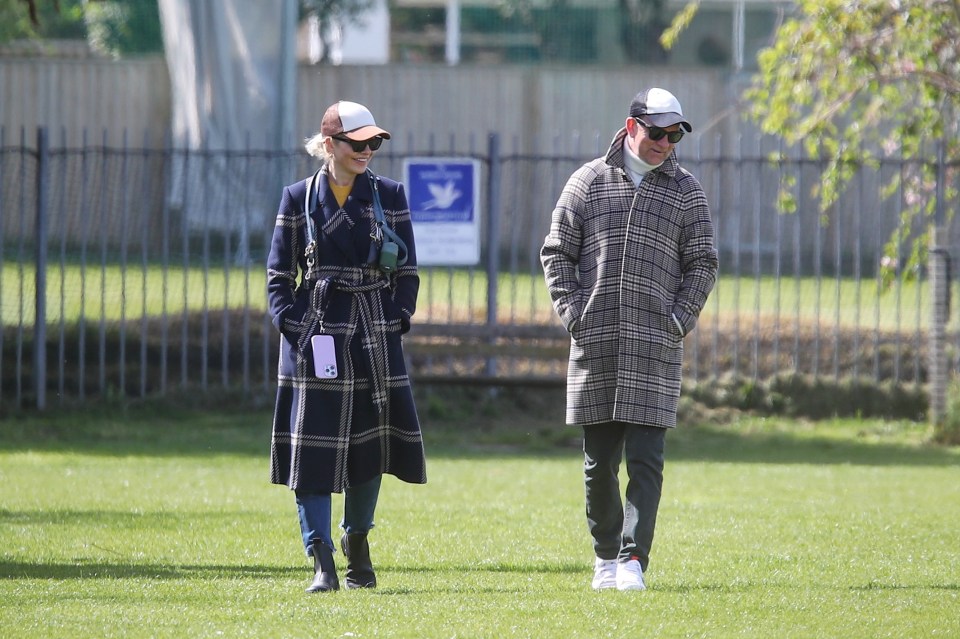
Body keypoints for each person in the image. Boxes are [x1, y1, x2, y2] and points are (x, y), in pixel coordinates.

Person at [539, 87, 718, 592]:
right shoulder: (588, 181)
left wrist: (679, 319)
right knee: (598, 464)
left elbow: (703, 262)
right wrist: (576, 313)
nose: (666, 143)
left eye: (675, 134)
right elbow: (556, 252)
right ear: (632, 126)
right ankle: (604, 557)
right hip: (596, 344)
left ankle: (633, 560)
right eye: (658, 133)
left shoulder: (687, 192)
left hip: (655, 345)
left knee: (646, 461)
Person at [267, 100, 426, 593]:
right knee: (310, 452)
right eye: (358, 144)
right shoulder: (297, 198)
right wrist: (297, 328)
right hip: (315, 339)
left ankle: (358, 546)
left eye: (374, 143)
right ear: (329, 145)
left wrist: (396, 316)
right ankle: (322, 561)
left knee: (367, 448)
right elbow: (278, 278)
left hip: (373, 336)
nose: (368, 151)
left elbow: (408, 272)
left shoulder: (390, 195)